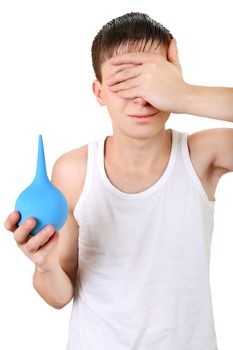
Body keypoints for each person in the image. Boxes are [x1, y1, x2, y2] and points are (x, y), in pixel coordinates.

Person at [4, 12, 233, 350]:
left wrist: (183, 95)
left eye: (152, 83)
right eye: (124, 83)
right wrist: (45, 265)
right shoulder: (74, 170)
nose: (141, 98)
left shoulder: (203, 156)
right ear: (99, 93)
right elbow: (59, 295)